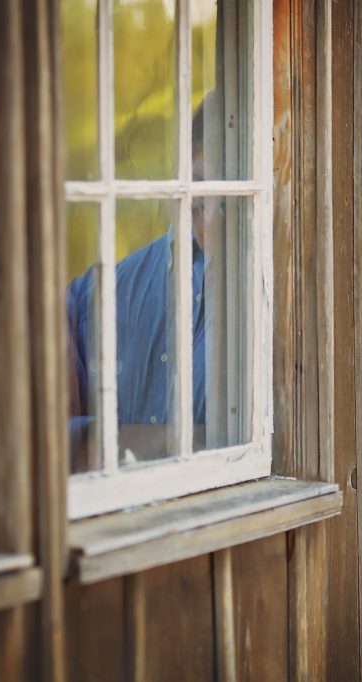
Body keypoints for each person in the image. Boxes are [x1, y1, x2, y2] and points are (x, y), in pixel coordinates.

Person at [66, 92, 241, 470]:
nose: (210, 210)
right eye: (196, 182)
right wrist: (170, 440)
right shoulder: (96, 297)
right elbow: (43, 441)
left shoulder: (277, 310)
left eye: (225, 190)